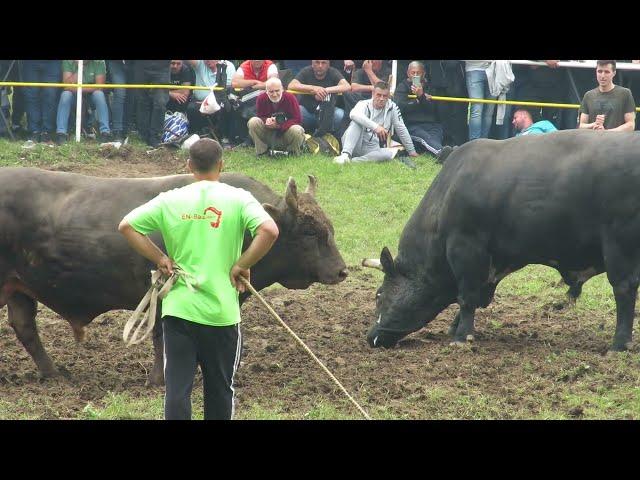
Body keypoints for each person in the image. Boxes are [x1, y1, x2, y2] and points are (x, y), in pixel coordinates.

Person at [118, 138, 279, 420]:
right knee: (220, 390)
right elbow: (269, 230)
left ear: (189, 166)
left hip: (180, 312)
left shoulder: (171, 199)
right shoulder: (239, 198)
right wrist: (243, 264)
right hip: (222, 314)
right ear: (221, 165)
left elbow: (127, 225)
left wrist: (160, 258)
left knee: (177, 392)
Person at [332, 81, 418, 168]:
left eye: (385, 96)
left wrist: (411, 151)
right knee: (356, 122)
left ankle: (353, 162)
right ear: (373, 94)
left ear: (388, 96)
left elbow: (401, 128)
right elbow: (353, 114)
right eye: (378, 95)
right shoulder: (363, 104)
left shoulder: (392, 107)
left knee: (388, 154)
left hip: (371, 147)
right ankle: (345, 155)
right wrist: (375, 127)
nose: (381, 98)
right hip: (354, 143)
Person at [287, 60, 351, 137]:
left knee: (340, 115)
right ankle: (302, 138)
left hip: (328, 112)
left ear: (328, 64)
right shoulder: (306, 71)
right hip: (309, 112)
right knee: (297, 110)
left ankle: (334, 140)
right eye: (317, 62)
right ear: (312, 64)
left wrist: (326, 90)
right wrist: (313, 89)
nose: (320, 66)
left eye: (323, 63)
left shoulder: (333, 72)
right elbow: (291, 85)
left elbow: (347, 86)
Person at [55, 60, 112, 144]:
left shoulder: (99, 61)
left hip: (91, 95)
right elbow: (66, 85)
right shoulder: (68, 61)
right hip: (74, 95)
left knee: (99, 95)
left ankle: (105, 132)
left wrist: (79, 88)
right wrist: (80, 70)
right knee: (65, 95)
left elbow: (100, 86)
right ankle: (61, 133)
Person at [394, 61, 444, 156]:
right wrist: (418, 100)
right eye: (413, 73)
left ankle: (440, 150)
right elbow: (400, 107)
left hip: (431, 124)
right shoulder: (402, 87)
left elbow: (434, 109)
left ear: (424, 73)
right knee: (425, 137)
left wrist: (421, 96)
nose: (415, 75)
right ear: (408, 73)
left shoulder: (430, 87)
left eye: (418, 73)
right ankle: (442, 153)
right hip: (413, 125)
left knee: (435, 137)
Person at [247, 77, 305, 156]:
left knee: (298, 130)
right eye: (271, 92)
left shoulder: (290, 98)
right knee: (253, 121)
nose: (274, 94)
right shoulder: (261, 98)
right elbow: (260, 117)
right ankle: (262, 151)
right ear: (266, 91)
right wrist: (267, 121)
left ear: (282, 89)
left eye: (277, 91)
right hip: (269, 134)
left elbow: (297, 119)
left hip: (286, 134)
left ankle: (292, 152)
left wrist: (279, 125)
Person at [578, 60, 636, 132]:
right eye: (599, 71)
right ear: (596, 72)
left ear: (614, 73)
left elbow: (631, 125)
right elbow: (581, 126)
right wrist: (594, 124)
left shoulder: (625, 93)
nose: (602, 76)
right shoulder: (588, 95)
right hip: (593, 141)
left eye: (607, 72)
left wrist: (606, 133)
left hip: (617, 142)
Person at [134, 60, 171, 147]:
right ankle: (143, 135)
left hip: (162, 67)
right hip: (141, 66)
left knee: (160, 103)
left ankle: (155, 137)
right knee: (142, 101)